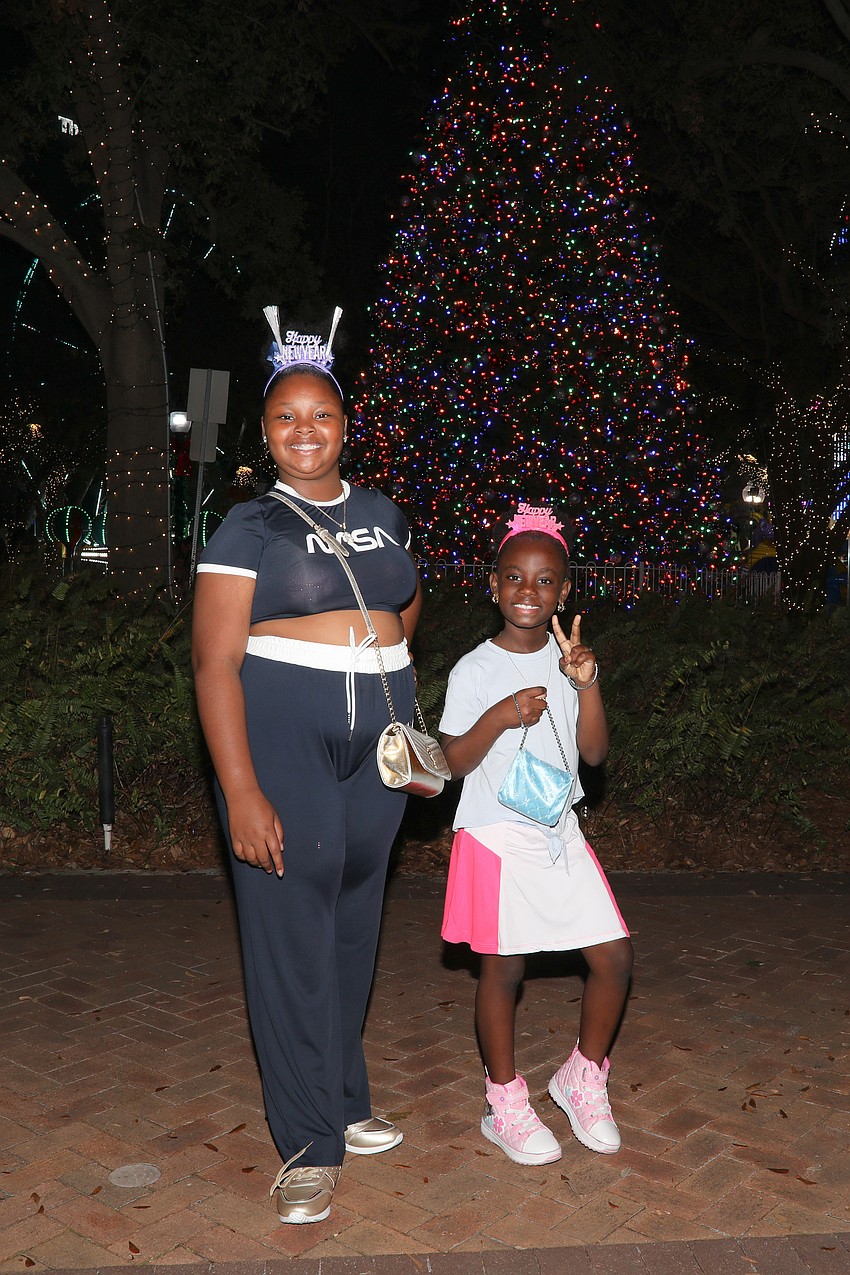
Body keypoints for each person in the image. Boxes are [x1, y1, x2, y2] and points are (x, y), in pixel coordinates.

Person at [191, 311, 421, 1225]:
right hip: (285, 737)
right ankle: (306, 1144)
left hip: (380, 748)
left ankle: (344, 1096)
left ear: (345, 424)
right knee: (292, 934)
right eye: (286, 416)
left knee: (353, 923)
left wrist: (395, 680)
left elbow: (406, 605)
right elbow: (213, 663)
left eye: (320, 413)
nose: (304, 429)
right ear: (266, 430)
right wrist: (242, 788)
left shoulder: (383, 512)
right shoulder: (246, 525)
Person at [438, 505, 633, 1166]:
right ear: (493, 584)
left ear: (564, 591)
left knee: (613, 956)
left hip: (557, 831)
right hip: (497, 836)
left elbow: (595, 754)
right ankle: (505, 1101)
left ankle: (582, 1077)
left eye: (545, 579)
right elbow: (451, 762)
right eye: (515, 577)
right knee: (504, 968)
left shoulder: (569, 660)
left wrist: (588, 683)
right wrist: (499, 716)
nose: (529, 590)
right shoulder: (472, 670)